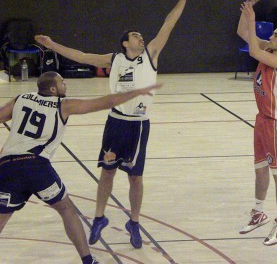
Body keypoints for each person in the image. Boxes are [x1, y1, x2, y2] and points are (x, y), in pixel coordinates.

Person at [34, 0, 193, 249]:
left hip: (139, 125)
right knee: (107, 172)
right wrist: (53, 45)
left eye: (141, 36)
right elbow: (81, 56)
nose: (141, 37)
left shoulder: (151, 54)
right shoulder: (114, 59)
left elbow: (169, 23)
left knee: (135, 176)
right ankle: (99, 217)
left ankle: (133, 222)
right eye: (135, 36)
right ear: (124, 43)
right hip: (116, 122)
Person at [0, 72, 161, 263]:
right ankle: (87, 260)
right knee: (67, 209)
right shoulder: (63, 105)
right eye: (61, 82)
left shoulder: (21, 98)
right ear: (53, 89)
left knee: (3, 215)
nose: (65, 84)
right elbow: (103, 102)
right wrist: (135, 93)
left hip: (6, 166)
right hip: (36, 165)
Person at [236, 0, 277, 246]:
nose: (271, 36)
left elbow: (253, 52)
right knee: (260, 168)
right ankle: (258, 211)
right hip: (262, 120)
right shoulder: (270, 51)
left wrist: (253, 20)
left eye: (276, 35)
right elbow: (243, 34)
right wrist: (246, 10)